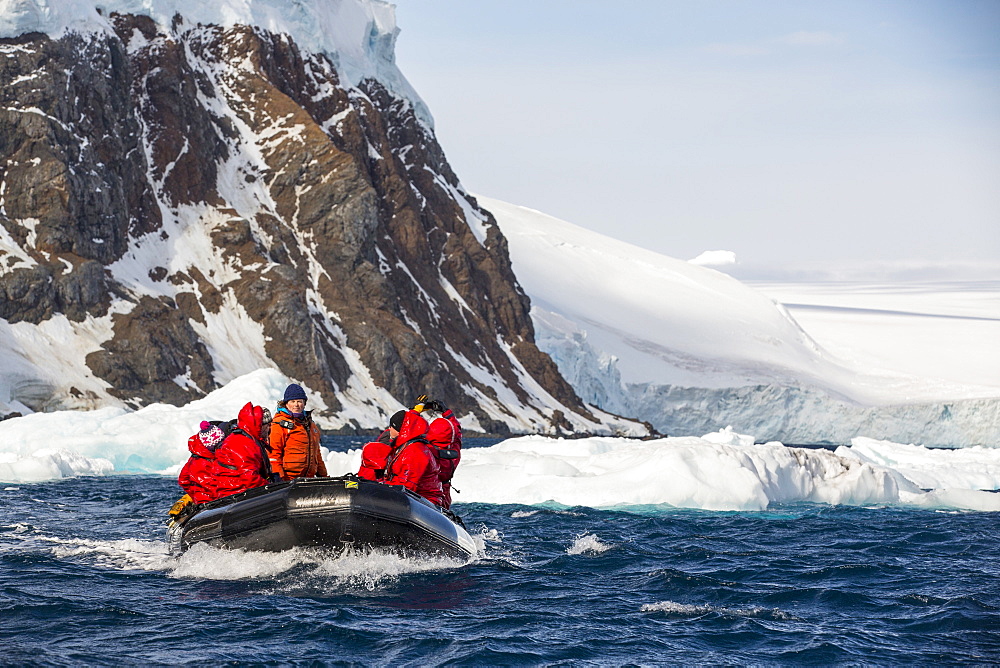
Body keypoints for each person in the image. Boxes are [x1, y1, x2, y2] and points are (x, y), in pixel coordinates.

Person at [382, 409, 444, 506]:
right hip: (415, 500)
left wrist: (382, 488)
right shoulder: (405, 447)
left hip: (426, 502)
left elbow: (407, 485)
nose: (389, 429)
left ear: (400, 430)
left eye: (391, 426)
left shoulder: (415, 451)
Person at [269, 383, 327, 480]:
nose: (296, 405)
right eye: (292, 401)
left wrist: (324, 477)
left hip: (308, 479)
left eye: (299, 401)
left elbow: (317, 455)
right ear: (286, 404)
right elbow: (273, 455)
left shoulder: (311, 425)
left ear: (304, 404)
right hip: (288, 480)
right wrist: (278, 480)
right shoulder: (279, 424)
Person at [214, 402, 272, 498]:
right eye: (267, 426)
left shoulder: (246, 439)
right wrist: (271, 488)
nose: (269, 429)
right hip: (235, 494)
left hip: (237, 491)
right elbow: (250, 478)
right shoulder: (242, 443)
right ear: (260, 426)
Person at [414, 396, 463, 509]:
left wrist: (416, 411)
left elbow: (408, 432)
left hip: (424, 497)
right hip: (444, 496)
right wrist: (446, 412)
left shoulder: (426, 451)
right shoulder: (454, 452)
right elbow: (457, 432)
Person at [177, 421, 225, 503]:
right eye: (220, 444)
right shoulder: (205, 462)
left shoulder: (193, 459)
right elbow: (213, 487)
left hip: (201, 500)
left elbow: (183, 480)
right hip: (211, 502)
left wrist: (194, 493)